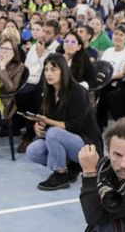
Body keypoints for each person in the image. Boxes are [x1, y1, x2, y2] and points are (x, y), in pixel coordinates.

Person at [26, 53, 102, 190]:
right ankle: (70, 167)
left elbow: (74, 126)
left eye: (54, 69)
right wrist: (40, 128)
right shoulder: (48, 92)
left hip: (87, 145)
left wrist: (48, 122)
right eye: (46, 69)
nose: (49, 73)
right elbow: (47, 121)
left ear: (63, 70)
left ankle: (60, 175)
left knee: (54, 133)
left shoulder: (77, 91)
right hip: (66, 139)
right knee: (33, 150)